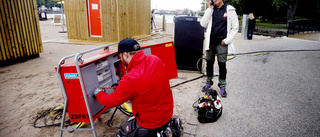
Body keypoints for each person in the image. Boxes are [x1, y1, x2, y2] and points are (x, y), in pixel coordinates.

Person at [94, 38, 174, 136]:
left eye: (120, 56)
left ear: (125, 54)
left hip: (151, 122)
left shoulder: (131, 79)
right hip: (167, 113)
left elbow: (111, 101)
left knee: (121, 134)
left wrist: (98, 93)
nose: (120, 59)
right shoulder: (155, 59)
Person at [200, 0, 239, 97]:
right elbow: (203, 24)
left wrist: (226, 40)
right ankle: (208, 83)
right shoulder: (211, 10)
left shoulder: (229, 9)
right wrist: (210, 9)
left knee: (222, 65)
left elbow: (235, 27)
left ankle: (222, 86)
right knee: (209, 63)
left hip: (222, 43)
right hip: (210, 42)